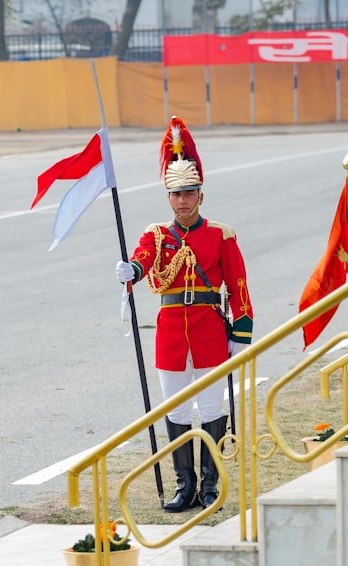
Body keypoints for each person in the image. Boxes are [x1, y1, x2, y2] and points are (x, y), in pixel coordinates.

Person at [114, 117, 254, 512]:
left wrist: (239, 335)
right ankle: (184, 484)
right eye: (175, 194)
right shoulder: (156, 235)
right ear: (168, 197)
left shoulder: (221, 236)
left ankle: (210, 485)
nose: (182, 201)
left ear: (200, 195)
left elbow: (239, 287)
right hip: (171, 333)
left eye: (189, 192)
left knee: (211, 409)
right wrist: (132, 271)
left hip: (210, 330)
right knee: (174, 409)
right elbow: (143, 258)